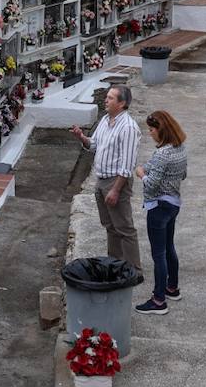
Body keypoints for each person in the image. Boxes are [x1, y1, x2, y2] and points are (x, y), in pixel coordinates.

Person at [72, 84, 142, 272]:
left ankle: (134, 269)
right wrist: (82, 137)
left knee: (124, 228)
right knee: (110, 226)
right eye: (107, 97)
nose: (106, 100)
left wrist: (116, 190)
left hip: (115, 182)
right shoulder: (105, 120)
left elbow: (127, 165)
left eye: (111, 98)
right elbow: (94, 145)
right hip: (101, 180)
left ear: (122, 104)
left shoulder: (128, 127)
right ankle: (115, 264)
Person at [133, 110, 187, 315]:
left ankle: (158, 300)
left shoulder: (162, 154)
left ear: (161, 130)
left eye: (152, 129)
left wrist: (141, 174)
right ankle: (172, 288)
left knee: (158, 254)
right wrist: (151, 168)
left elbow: (152, 184)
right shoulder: (180, 148)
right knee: (169, 246)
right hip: (174, 204)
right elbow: (183, 174)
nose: (150, 133)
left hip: (159, 207)